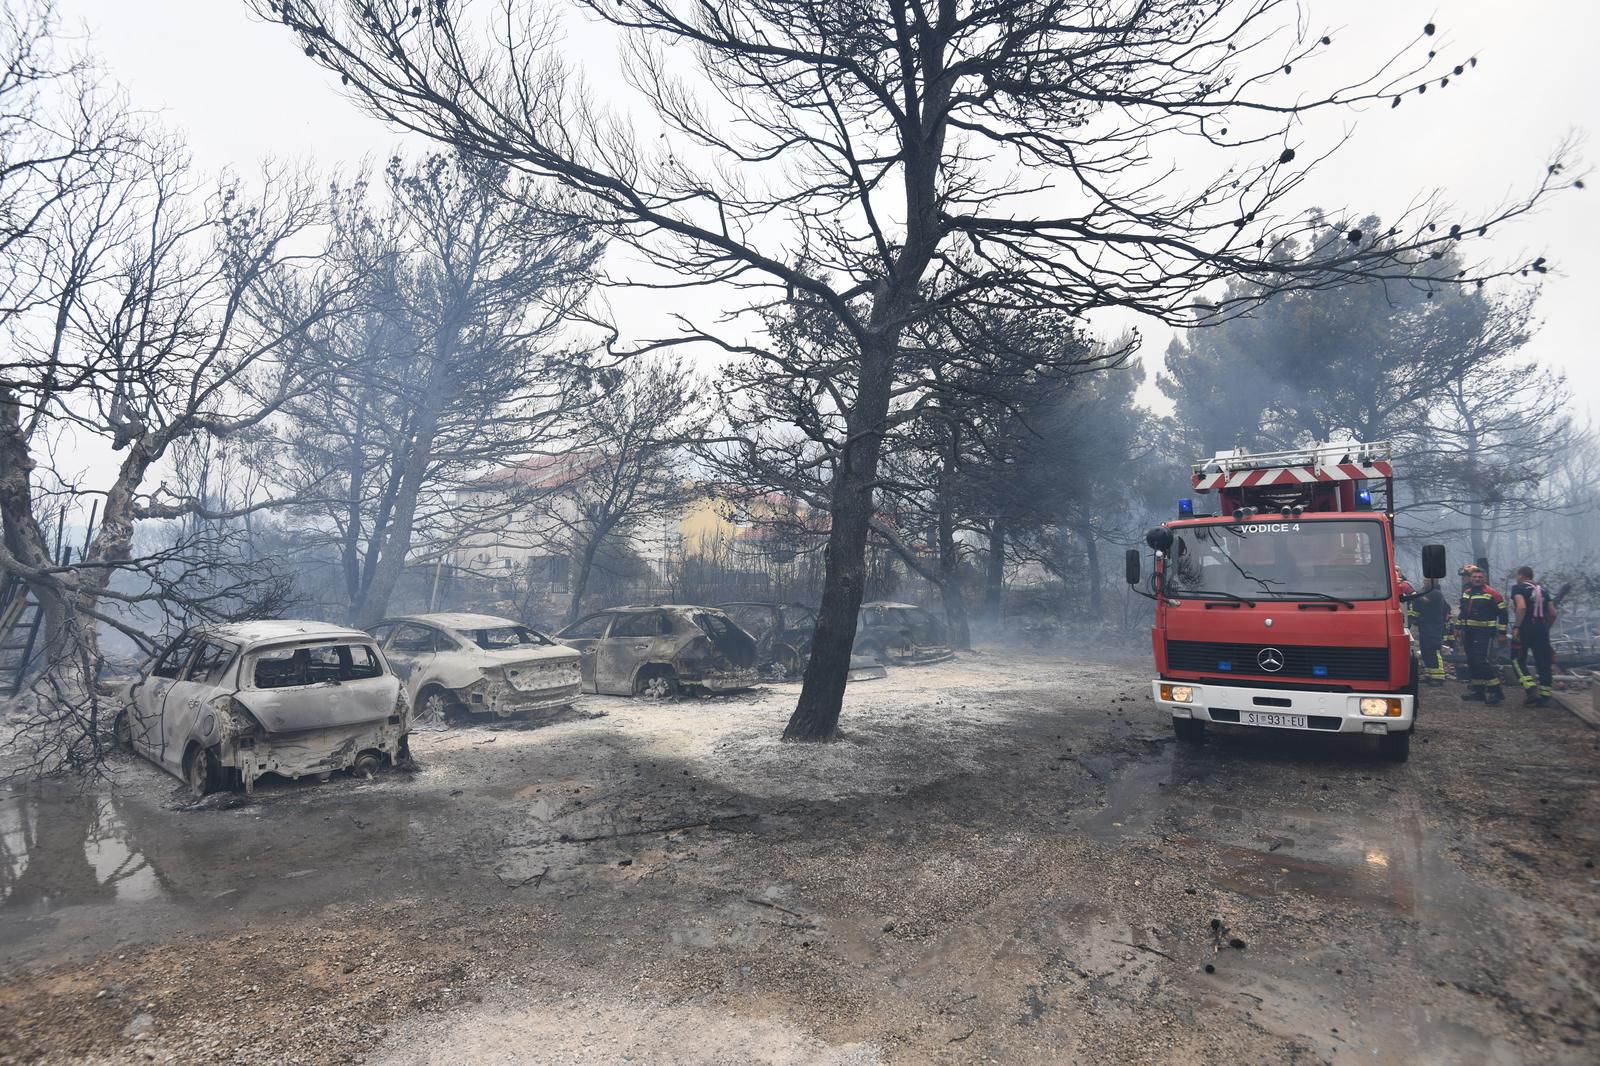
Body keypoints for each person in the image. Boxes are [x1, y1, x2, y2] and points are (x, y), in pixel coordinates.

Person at [1509, 565, 1558, 706]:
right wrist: (1545, 627)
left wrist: (1517, 627)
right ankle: (1545, 696)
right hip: (1542, 627)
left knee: (1516, 659)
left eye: (1517, 576)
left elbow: (1522, 607)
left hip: (1525, 627)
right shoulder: (1543, 590)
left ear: (1521, 576)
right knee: (1543, 661)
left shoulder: (1518, 588)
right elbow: (1553, 613)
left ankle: (1530, 689)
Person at [1458, 565, 1508, 704]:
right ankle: (1478, 690)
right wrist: (1457, 627)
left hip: (1484, 632)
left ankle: (1496, 691)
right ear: (1470, 578)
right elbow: (1463, 611)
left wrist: (1502, 633)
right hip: (1468, 632)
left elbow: (1503, 614)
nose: (1477, 579)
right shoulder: (1467, 592)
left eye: (1480, 577)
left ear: (1484, 578)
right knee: (1471, 660)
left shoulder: (1492, 594)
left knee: (1480, 660)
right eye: (1474, 577)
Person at [1412, 578, 1451, 685]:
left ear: (1435, 582)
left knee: (1433, 649)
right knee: (1425, 649)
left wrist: (1412, 593)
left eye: (1428, 580)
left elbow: (1423, 600)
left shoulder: (1435, 593)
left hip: (1433, 626)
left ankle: (1438, 677)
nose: (1425, 582)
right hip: (1425, 625)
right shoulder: (1426, 592)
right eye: (1424, 580)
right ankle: (1430, 674)